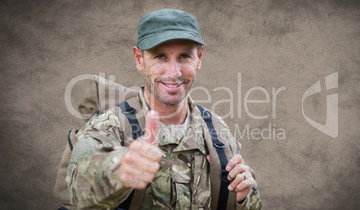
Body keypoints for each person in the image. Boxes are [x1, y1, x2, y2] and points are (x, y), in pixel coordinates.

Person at [66, 9, 262, 210]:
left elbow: (252, 203)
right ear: (139, 59)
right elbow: (77, 190)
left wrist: (243, 198)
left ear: (199, 58)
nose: (174, 72)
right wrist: (119, 169)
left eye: (184, 56)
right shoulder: (110, 126)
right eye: (160, 57)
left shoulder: (217, 131)